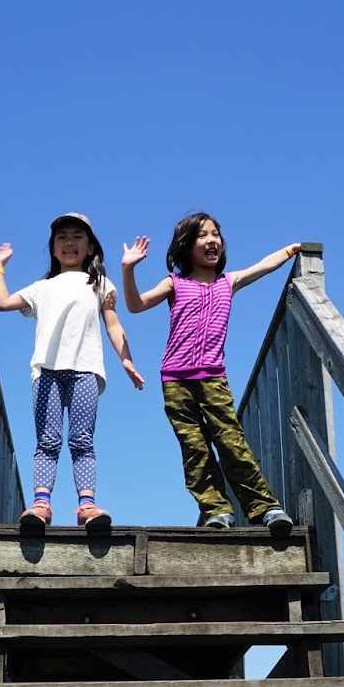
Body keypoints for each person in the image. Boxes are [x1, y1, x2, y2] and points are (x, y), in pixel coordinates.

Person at [121, 213, 298, 531]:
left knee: (231, 443)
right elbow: (135, 305)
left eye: (216, 234)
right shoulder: (174, 283)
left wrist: (290, 250)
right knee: (195, 449)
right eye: (202, 235)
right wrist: (128, 269)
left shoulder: (228, 282)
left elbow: (264, 265)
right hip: (176, 380)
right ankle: (218, 511)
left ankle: (265, 508)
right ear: (186, 246)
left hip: (213, 378)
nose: (212, 240)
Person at [0, 213, 143, 530]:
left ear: (90, 248)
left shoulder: (99, 284)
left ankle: (86, 506)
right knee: (47, 441)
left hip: (86, 370)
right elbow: (3, 302)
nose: (69, 242)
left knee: (82, 441)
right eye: (62, 237)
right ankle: (41, 505)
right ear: (53, 247)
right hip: (46, 372)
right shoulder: (42, 287)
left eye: (77, 236)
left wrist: (126, 359)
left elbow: (113, 323)